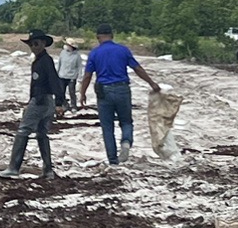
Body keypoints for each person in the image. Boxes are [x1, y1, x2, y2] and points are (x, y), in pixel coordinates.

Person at [82, 25, 161, 166]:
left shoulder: (94, 53)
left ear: (98, 37)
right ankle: (125, 142)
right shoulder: (123, 50)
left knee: (107, 126)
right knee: (126, 121)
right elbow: (137, 68)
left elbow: (87, 75)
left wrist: (82, 93)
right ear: (112, 35)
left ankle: (113, 161)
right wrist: (151, 83)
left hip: (104, 91)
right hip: (122, 89)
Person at [8, 31, 62, 178]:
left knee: (23, 130)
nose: (33, 47)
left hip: (41, 101)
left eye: (36, 43)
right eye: (31, 44)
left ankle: (13, 168)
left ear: (43, 44)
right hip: (45, 101)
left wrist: (59, 102)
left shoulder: (45, 61)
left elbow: (54, 80)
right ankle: (48, 170)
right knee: (41, 134)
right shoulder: (40, 60)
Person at [55, 38, 84, 111]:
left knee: (72, 92)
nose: (65, 46)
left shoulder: (77, 56)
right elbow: (59, 64)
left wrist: (80, 79)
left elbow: (79, 67)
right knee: (61, 92)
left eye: (67, 45)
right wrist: (56, 74)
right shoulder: (62, 53)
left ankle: (74, 106)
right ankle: (64, 105)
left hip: (72, 77)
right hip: (61, 76)